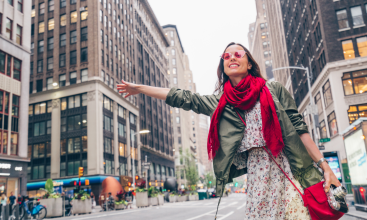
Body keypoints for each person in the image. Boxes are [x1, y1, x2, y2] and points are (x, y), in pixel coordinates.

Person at [117, 42, 341, 219]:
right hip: (259, 178)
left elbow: (300, 130)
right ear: (223, 66)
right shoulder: (220, 104)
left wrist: (325, 167)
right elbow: (183, 97)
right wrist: (139, 89)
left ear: (249, 63)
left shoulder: (273, 90)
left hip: (292, 169)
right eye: (227, 56)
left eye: (238, 54)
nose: (232, 57)